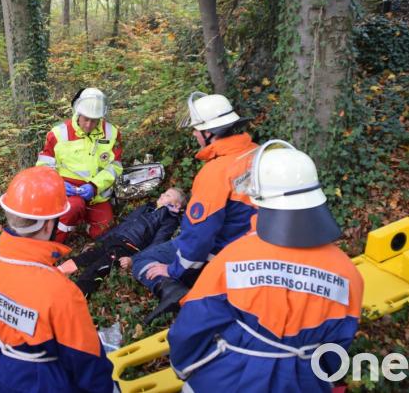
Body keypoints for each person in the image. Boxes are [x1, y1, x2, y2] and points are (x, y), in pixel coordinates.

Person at [167, 141, 364, 392]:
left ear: (258, 200)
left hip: (225, 379)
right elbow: (336, 349)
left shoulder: (234, 258)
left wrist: (181, 366)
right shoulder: (349, 274)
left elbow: (194, 323)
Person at [0, 166, 118, 393]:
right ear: (49, 224)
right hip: (44, 384)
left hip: (0, 373)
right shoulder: (60, 293)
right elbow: (87, 362)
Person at [131, 91, 260, 324]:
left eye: (196, 128)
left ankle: (178, 295)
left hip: (226, 255)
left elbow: (199, 238)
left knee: (143, 260)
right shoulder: (258, 153)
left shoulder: (215, 173)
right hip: (257, 247)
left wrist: (172, 271)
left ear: (209, 132)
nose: (193, 133)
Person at [58, 187, 187, 296]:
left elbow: (157, 244)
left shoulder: (169, 220)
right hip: (113, 239)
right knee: (84, 257)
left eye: (168, 195)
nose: (162, 195)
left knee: (98, 268)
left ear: (176, 205)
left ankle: (75, 296)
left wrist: (133, 259)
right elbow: (122, 225)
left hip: (128, 247)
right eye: (164, 193)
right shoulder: (147, 207)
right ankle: (55, 273)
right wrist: (99, 241)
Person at [36, 87, 123, 243]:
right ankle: (52, 246)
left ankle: (86, 227)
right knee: (71, 209)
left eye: (94, 120)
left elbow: (114, 166)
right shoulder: (58, 134)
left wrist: (94, 186)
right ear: (78, 113)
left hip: (97, 194)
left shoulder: (112, 133)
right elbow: (44, 166)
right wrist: (59, 185)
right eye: (86, 119)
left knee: (105, 230)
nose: (89, 125)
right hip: (68, 193)